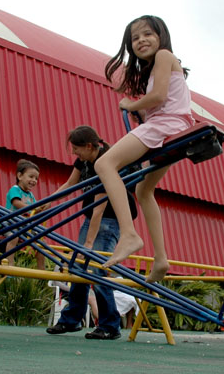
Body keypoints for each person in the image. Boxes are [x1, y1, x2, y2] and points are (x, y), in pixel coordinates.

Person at [96, 15, 194, 282]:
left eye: (147, 34)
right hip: (173, 127)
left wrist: (131, 104)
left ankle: (129, 233)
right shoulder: (153, 69)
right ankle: (161, 259)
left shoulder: (164, 55)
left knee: (104, 164)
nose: (141, 40)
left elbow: (160, 96)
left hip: (166, 125)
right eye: (135, 38)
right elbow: (162, 96)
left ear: (161, 36)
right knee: (144, 189)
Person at [46, 125, 138, 340]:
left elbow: (99, 207)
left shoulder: (106, 161)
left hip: (110, 218)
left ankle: (110, 325)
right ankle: (71, 320)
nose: (75, 154)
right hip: (92, 217)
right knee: (79, 268)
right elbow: (70, 184)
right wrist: (47, 202)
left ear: (89, 146)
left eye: (77, 149)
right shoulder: (85, 160)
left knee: (96, 268)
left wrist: (88, 244)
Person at [4, 159, 46, 270]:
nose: (34, 180)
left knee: (41, 242)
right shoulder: (15, 189)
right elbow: (16, 203)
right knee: (14, 237)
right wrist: (33, 208)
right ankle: (9, 264)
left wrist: (41, 208)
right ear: (20, 176)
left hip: (24, 225)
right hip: (11, 223)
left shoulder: (31, 195)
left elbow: (36, 210)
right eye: (31, 176)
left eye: (36, 178)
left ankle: (41, 269)